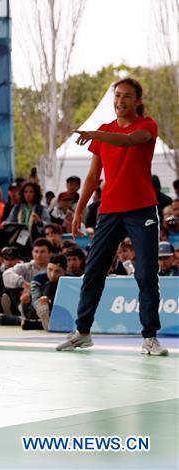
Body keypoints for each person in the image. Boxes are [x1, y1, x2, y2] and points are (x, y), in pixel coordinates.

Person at [57, 78, 167, 356]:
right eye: (117, 96)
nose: (120, 101)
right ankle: (82, 332)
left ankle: (150, 338)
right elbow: (94, 175)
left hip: (141, 209)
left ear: (138, 101)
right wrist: (79, 210)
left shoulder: (147, 126)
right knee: (93, 271)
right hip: (109, 211)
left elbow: (129, 141)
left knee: (146, 274)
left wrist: (95, 134)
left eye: (127, 96)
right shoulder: (105, 131)